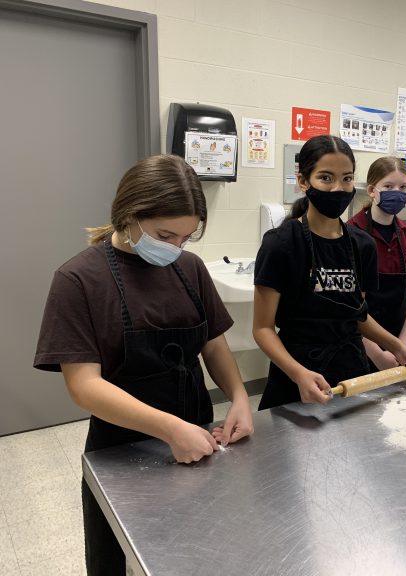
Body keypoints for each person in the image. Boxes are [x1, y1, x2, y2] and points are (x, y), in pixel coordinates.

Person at [33, 154, 254, 575]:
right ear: (127, 216)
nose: (174, 248)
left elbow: (214, 346)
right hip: (120, 452)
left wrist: (239, 398)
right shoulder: (78, 280)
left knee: (195, 556)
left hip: (200, 439)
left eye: (185, 238)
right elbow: (84, 385)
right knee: (117, 561)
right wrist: (169, 428)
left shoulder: (190, 269)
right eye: (164, 234)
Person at [252, 135, 406, 409]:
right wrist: (298, 374)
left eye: (346, 179)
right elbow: (262, 328)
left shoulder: (362, 245)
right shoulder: (281, 244)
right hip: (298, 371)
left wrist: (397, 347)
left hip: (351, 367)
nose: (338, 188)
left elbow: (357, 315)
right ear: (303, 182)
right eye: (325, 178)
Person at [348, 157, 406, 371]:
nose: (397, 192)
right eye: (389, 186)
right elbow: (347, 305)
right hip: (358, 346)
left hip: (400, 345)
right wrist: (377, 354)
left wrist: (400, 346)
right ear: (372, 190)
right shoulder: (351, 233)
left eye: (403, 187)